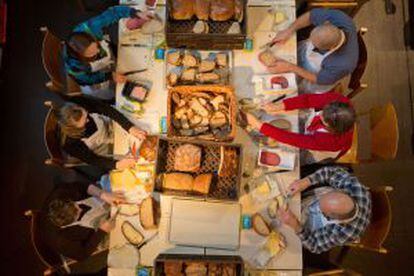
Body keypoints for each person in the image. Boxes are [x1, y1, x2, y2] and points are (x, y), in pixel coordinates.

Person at [64, 6, 153, 100]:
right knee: (111, 94)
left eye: (97, 47)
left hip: (105, 63)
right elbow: (88, 79)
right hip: (94, 79)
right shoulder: (74, 66)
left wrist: (136, 13)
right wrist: (109, 76)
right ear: (81, 56)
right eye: (92, 54)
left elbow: (113, 12)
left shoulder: (90, 28)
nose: (98, 51)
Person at [277, 166, 371, 254]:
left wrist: (296, 226)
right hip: (319, 201)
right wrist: (306, 181)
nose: (317, 207)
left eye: (321, 209)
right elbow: (330, 172)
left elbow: (315, 245)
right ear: (342, 192)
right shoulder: (355, 187)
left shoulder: (345, 233)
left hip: (313, 227)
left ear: (331, 219)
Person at [245, 91, 355, 163]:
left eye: (323, 119)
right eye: (323, 110)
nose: (320, 114)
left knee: (301, 158)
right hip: (319, 132)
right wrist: (279, 106)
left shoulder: (330, 141)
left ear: (331, 128)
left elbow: (294, 140)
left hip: (323, 151)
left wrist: (258, 124)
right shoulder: (340, 101)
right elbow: (307, 100)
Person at [267, 9, 359, 94]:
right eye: (311, 40)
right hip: (304, 55)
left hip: (315, 76)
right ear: (326, 23)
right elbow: (310, 16)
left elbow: (320, 79)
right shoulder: (340, 18)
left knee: (291, 90)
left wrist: (291, 67)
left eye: (315, 46)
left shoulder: (343, 64)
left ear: (331, 48)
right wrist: (289, 30)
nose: (311, 44)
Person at [40, 177, 127, 261]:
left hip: (96, 201)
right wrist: (102, 231)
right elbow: (82, 255)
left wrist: (102, 194)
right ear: (67, 224)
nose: (81, 209)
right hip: (96, 232)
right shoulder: (60, 241)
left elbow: (81, 185)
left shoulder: (59, 195)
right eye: (78, 213)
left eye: (76, 205)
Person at [55, 96, 147, 171]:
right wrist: (117, 164)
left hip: (107, 123)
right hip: (103, 147)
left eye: (87, 115)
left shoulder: (78, 102)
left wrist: (129, 127)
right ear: (74, 130)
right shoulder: (69, 144)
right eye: (84, 123)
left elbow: (106, 109)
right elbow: (93, 159)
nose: (88, 120)